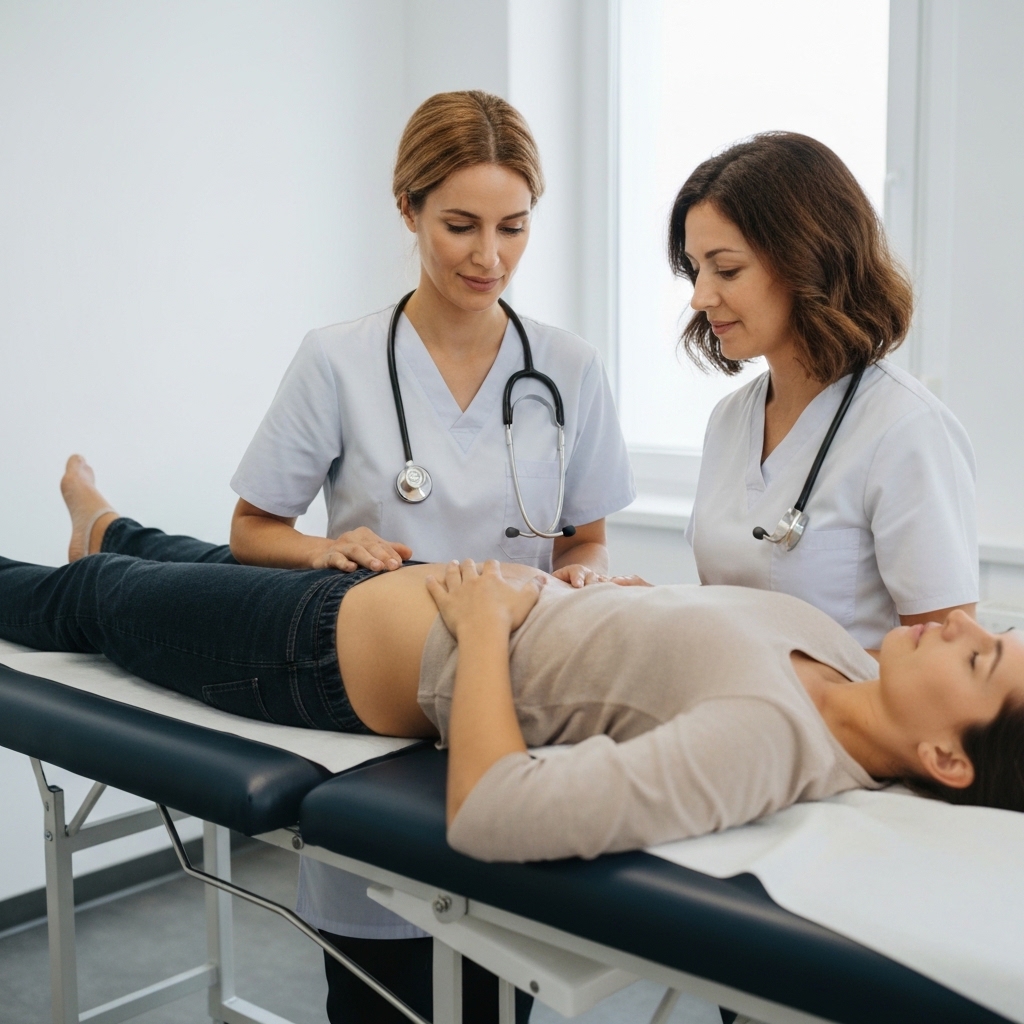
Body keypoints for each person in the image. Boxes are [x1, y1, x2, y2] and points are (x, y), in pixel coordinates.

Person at [67, 89, 634, 1024]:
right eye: (459, 225)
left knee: (504, 983)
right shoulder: (337, 359)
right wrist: (326, 547)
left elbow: (588, 533)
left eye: (513, 227)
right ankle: (98, 534)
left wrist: (582, 569)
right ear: (406, 209)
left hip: (509, 701)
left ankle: (99, 524)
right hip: (373, 708)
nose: (488, 257)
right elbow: (253, 531)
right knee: (382, 990)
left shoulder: (567, 369)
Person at [3, 484, 1022, 870]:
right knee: (177, 562)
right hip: (398, 589)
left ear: (944, 755)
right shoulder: (841, 656)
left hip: (325, 659)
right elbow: (654, 648)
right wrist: (606, 591)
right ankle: (108, 523)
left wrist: (487, 627)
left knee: (89, 600)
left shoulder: (765, 743)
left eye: (980, 657)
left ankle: (98, 543)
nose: (954, 626)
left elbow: (495, 814)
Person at [669, 132, 978, 651]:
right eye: (694, 270)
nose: (701, 296)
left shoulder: (906, 429)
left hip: (842, 731)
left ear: (806, 260)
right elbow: (727, 614)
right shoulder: (729, 420)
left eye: (726, 269)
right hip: (742, 712)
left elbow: (947, 667)